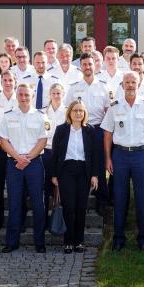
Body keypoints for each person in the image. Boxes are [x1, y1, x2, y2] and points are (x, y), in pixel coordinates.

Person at [102, 71, 144, 252]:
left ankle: (143, 238)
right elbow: (108, 133)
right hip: (120, 156)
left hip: (141, 155)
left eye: (133, 82)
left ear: (138, 83)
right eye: (127, 82)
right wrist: (108, 158)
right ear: (122, 84)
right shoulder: (114, 106)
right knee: (120, 197)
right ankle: (119, 237)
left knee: (143, 198)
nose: (130, 85)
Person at [0, 83, 50, 253]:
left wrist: (27, 158)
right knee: (14, 203)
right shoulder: (7, 116)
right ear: (16, 96)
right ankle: (12, 242)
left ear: (32, 96)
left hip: (34, 163)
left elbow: (43, 140)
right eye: (20, 94)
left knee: (38, 203)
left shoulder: (41, 116)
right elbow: (3, 140)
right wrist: (17, 157)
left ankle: (39, 242)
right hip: (14, 164)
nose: (23, 97)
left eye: (27, 95)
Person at [52, 100, 101, 253]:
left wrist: (95, 175)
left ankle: (79, 241)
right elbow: (54, 154)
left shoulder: (90, 131)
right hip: (66, 170)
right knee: (69, 207)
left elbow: (95, 156)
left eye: (81, 110)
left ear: (85, 113)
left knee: (81, 207)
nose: (78, 113)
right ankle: (68, 241)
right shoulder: (61, 130)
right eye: (75, 110)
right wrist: (54, 175)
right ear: (70, 113)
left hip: (84, 172)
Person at [65, 53, 111, 215]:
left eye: (90, 64)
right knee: (83, 164)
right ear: (80, 67)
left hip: (98, 129)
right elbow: (68, 110)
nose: (87, 67)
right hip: (79, 129)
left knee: (99, 164)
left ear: (95, 65)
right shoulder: (74, 88)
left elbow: (108, 112)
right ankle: (82, 198)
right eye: (84, 64)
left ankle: (102, 200)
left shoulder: (104, 86)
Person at [0, 70, 19, 231]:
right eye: (5, 80)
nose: (8, 83)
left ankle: (18, 223)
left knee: (18, 187)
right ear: (1, 82)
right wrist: (0, 141)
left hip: (17, 149)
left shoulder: (21, 99)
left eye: (10, 80)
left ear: (15, 81)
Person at [42, 83, 66, 225]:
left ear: (63, 94)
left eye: (59, 93)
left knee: (62, 189)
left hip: (63, 154)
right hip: (46, 152)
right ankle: (44, 221)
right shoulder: (42, 112)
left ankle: (61, 222)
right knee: (45, 188)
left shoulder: (69, 111)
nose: (56, 96)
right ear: (50, 95)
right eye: (54, 93)